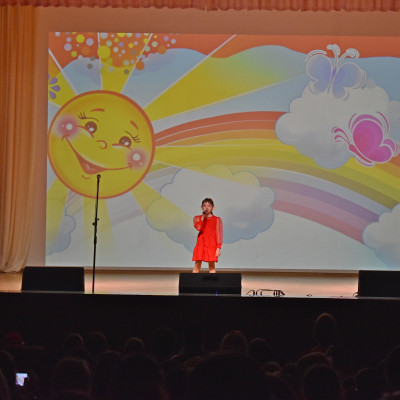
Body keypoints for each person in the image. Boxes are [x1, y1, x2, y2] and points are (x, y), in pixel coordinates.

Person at [192, 198, 223, 273]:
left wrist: (218, 248)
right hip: (201, 244)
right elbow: (199, 228)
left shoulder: (217, 219)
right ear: (202, 207)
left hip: (211, 244)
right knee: (197, 265)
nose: (206, 207)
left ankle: (212, 281)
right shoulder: (197, 218)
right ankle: (193, 280)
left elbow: (219, 234)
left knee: (211, 265)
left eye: (209, 206)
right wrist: (203, 217)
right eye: (205, 206)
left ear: (213, 208)